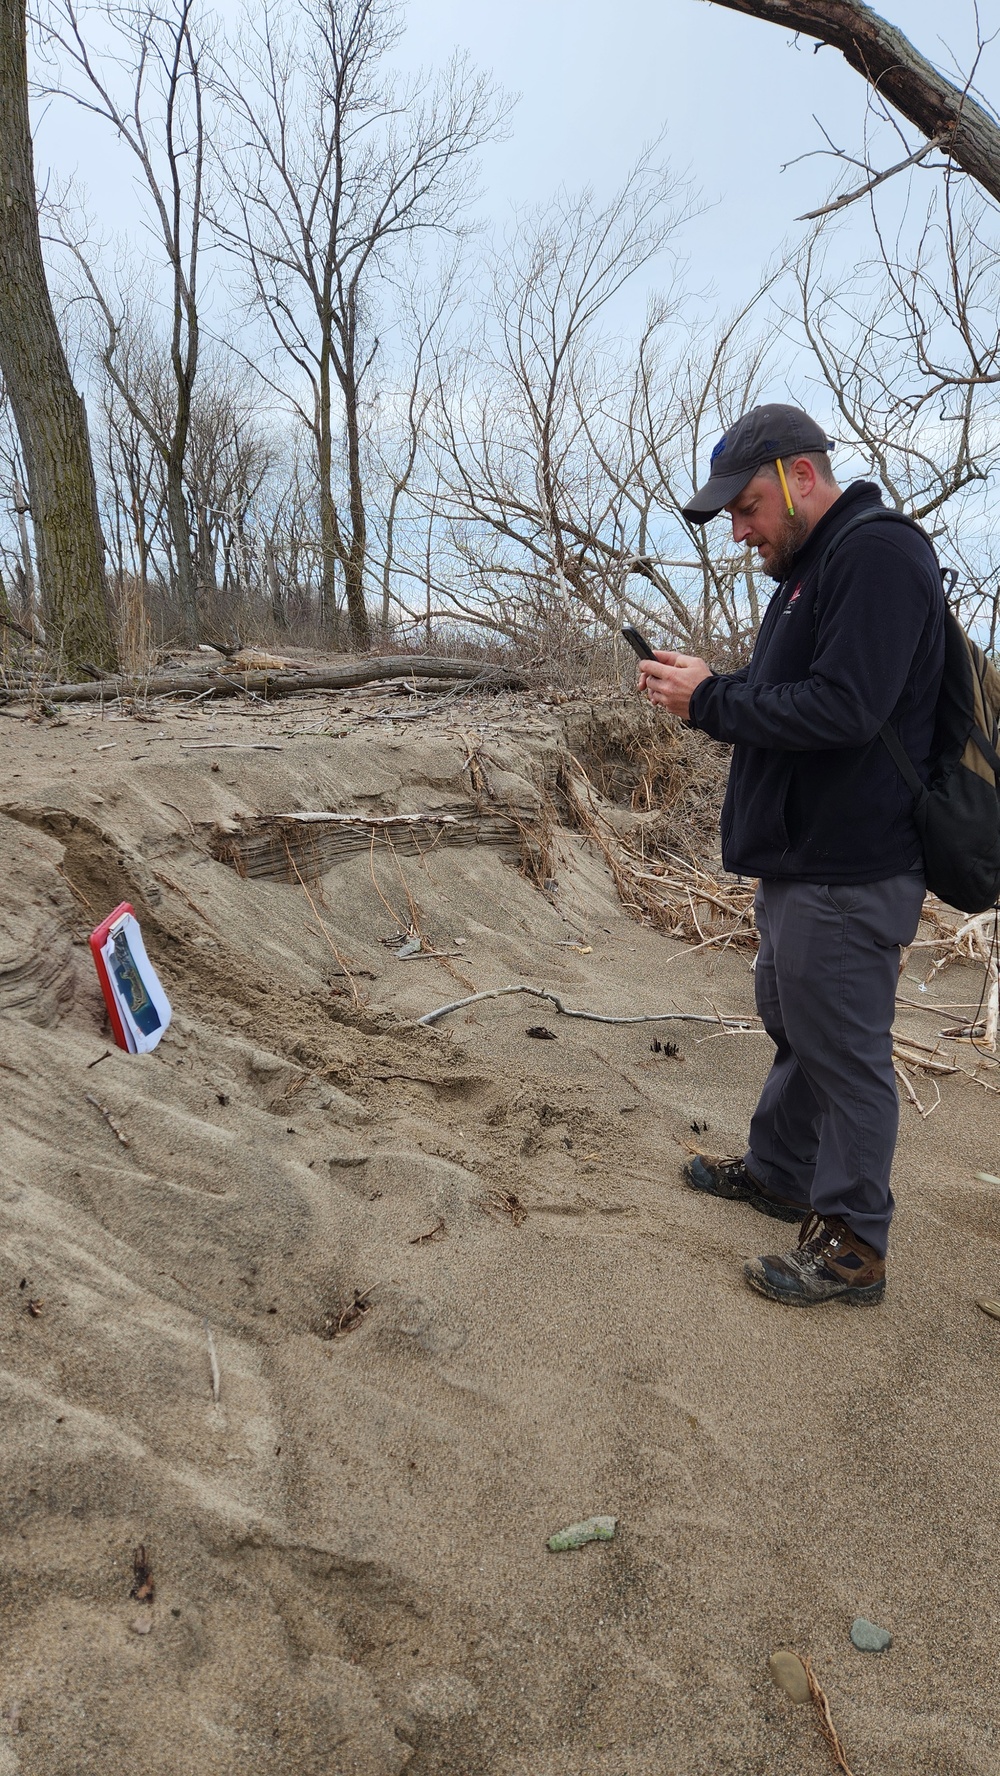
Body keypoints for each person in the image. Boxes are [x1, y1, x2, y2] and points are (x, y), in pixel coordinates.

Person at [639, 403, 945, 1307]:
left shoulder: (878, 554)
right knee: (794, 1016)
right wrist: (712, 690)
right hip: (807, 861)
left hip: (852, 867)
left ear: (798, 477)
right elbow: (793, 696)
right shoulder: (817, 566)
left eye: (745, 509)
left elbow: (844, 709)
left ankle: (853, 1247)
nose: (738, 531)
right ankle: (781, 1173)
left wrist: (711, 702)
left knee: (844, 1049)